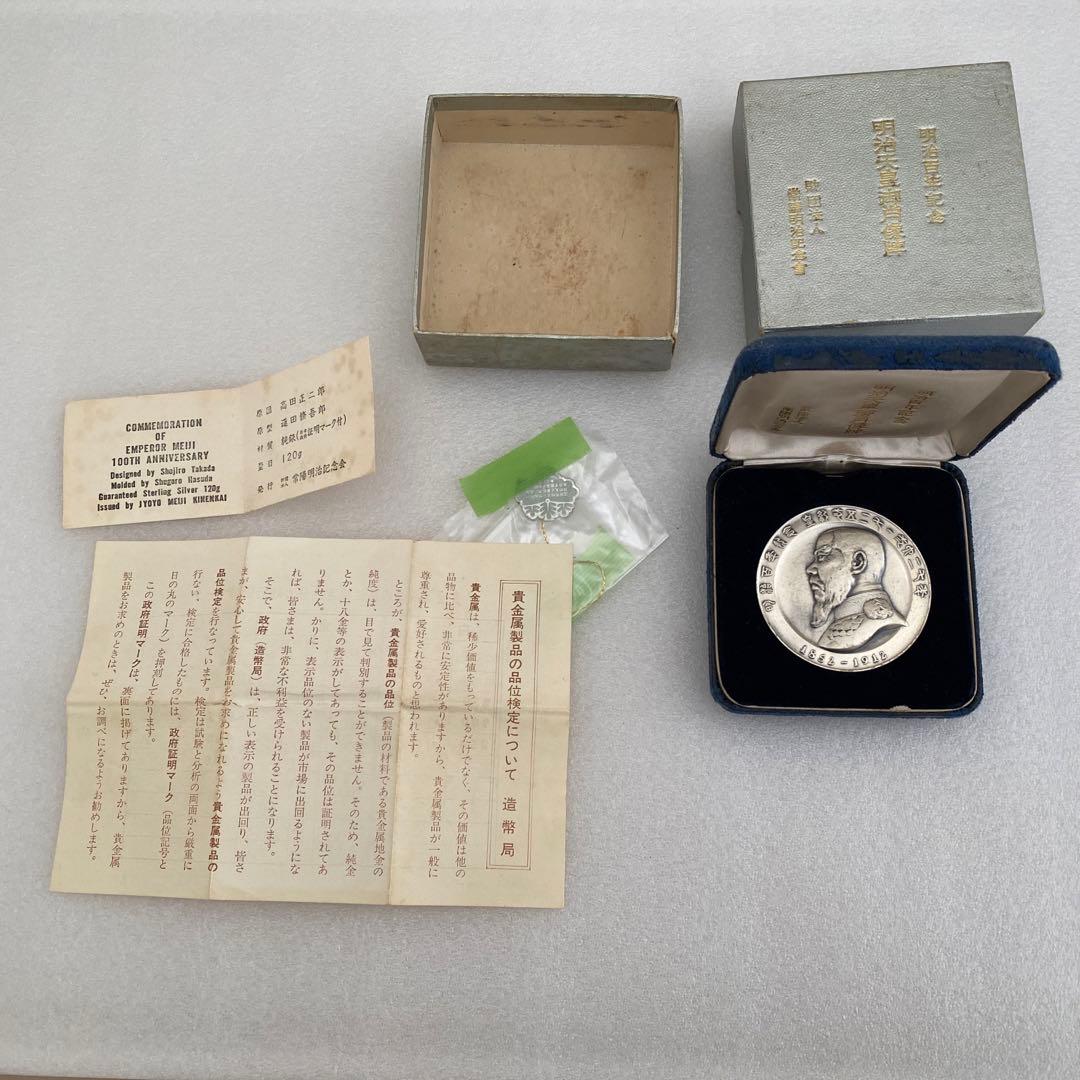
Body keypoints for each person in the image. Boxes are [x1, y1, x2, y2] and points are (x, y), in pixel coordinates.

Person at [804, 526, 905, 652]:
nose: (810, 569)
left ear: (857, 562)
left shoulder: (882, 623)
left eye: (822, 556)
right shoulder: (840, 621)